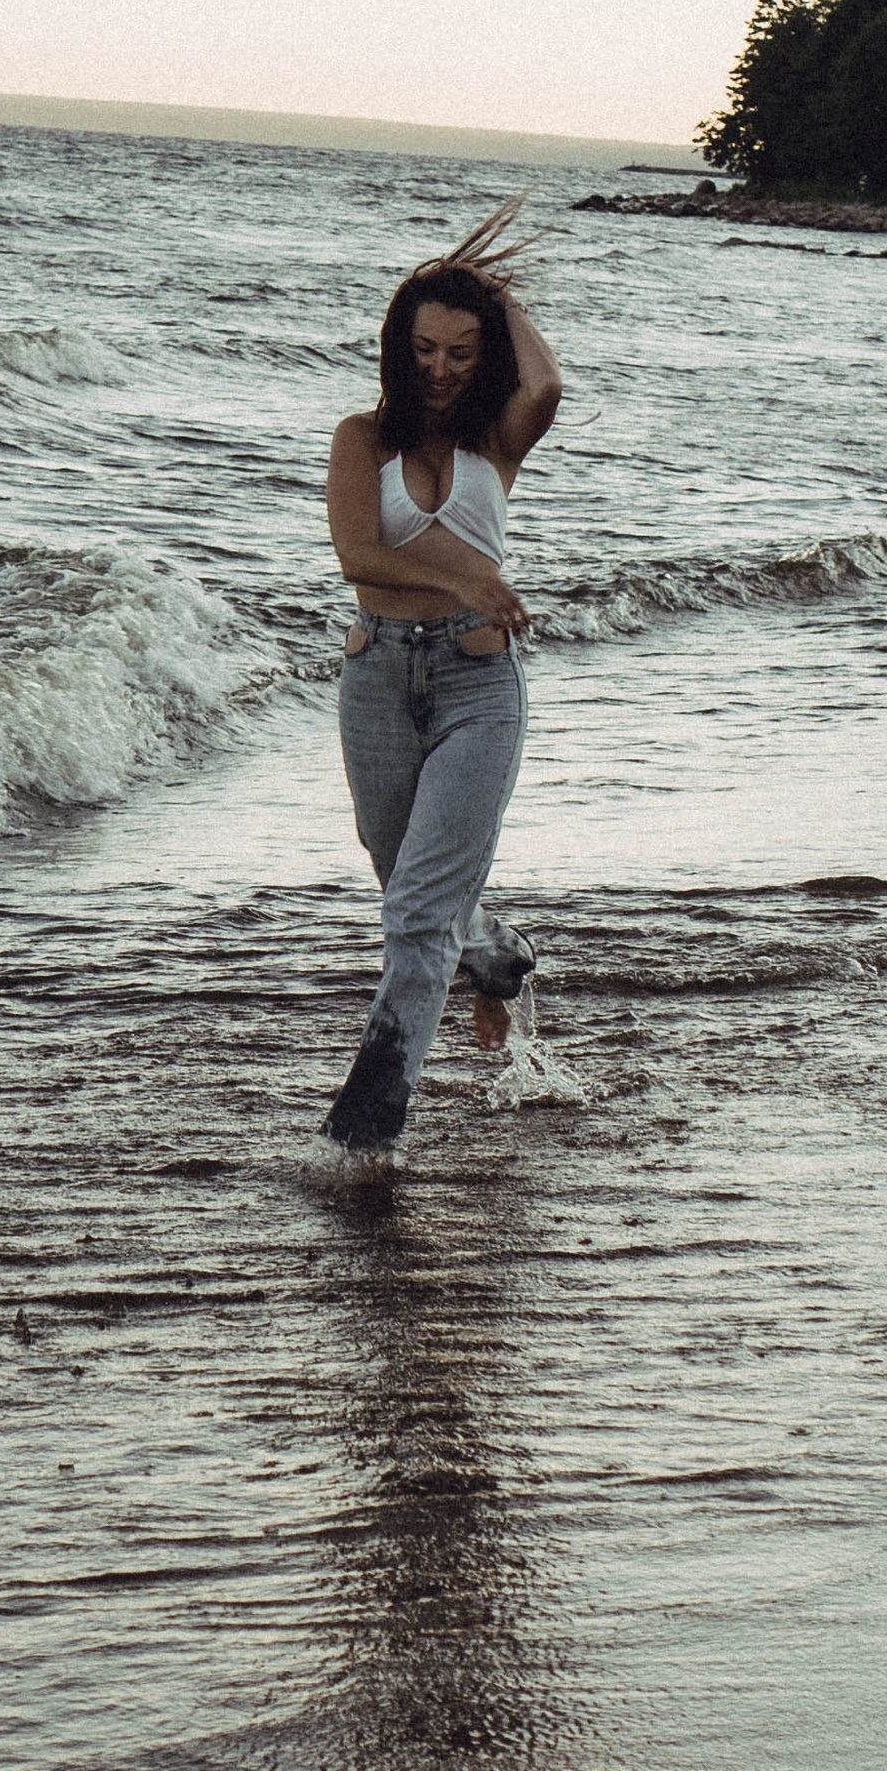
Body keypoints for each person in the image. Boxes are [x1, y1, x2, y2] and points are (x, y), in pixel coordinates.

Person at [320, 208, 565, 1156]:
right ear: (398, 346)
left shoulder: (496, 444)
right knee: (409, 896)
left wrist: (490, 293)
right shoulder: (360, 441)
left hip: (478, 690)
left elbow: (546, 380)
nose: (441, 367)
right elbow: (358, 554)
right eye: (425, 347)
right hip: (376, 681)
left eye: (463, 350)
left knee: (418, 915)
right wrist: (466, 574)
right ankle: (497, 956)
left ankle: (365, 1129)